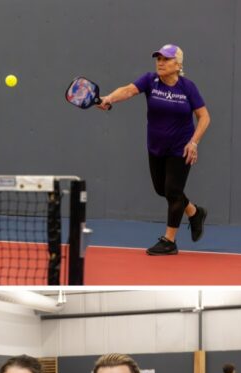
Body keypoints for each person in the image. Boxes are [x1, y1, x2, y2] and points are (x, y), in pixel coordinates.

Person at [97, 44, 210, 256]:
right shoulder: (150, 80)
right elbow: (128, 90)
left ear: (178, 64)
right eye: (158, 58)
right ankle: (194, 212)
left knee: (173, 191)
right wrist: (109, 98)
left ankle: (169, 241)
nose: (160, 62)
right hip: (156, 146)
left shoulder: (187, 87)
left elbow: (204, 117)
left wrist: (193, 142)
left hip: (181, 147)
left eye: (166, 59)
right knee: (162, 190)